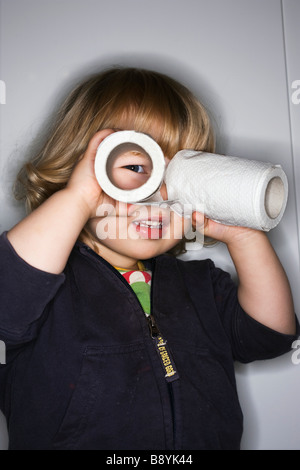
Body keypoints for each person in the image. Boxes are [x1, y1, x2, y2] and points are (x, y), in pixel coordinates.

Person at [0, 67, 298, 450]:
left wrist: (243, 234)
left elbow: (269, 336)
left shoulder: (201, 285)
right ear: (86, 172)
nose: (158, 198)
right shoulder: (45, 285)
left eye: (178, 179)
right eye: (136, 168)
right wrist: (76, 199)